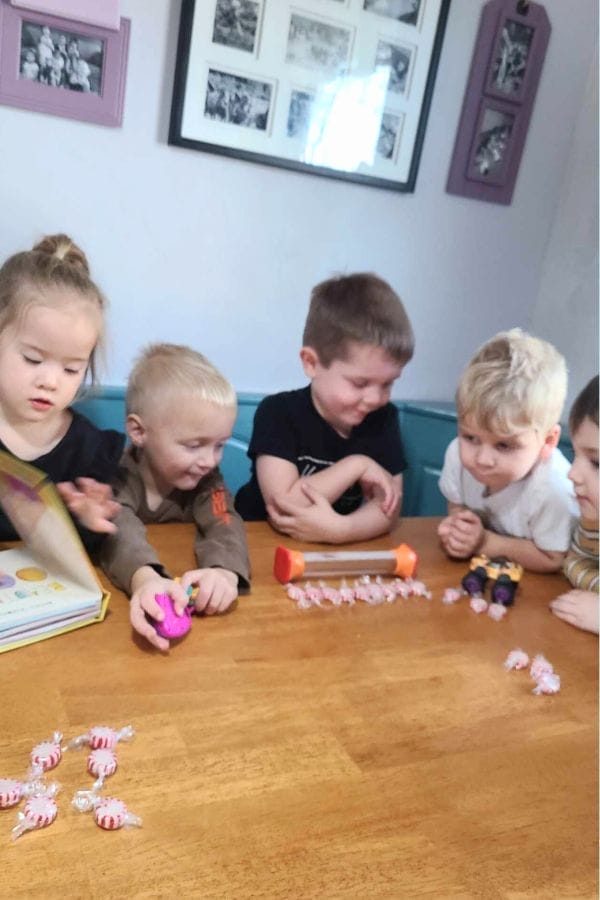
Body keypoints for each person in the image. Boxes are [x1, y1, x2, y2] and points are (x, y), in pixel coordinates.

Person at [235, 272, 414, 543]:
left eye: (389, 383)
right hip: (258, 541)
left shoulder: (383, 418)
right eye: (359, 383)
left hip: (333, 552)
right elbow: (284, 505)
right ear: (311, 363)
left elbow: (389, 506)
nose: (376, 398)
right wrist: (357, 465)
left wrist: (342, 530)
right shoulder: (278, 412)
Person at [100, 344, 251, 652]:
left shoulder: (207, 479)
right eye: (194, 445)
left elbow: (225, 521)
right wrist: (145, 579)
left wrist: (224, 572)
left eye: (220, 445)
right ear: (139, 432)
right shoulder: (116, 475)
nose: (210, 460)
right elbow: (119, 531)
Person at [0, 234, 125, 551]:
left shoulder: (89, 449)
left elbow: (82, 553)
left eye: (72, 369)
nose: (51, 381)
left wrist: (89, 522)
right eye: (33, 359)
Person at [438, 328, 578, 572]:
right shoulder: (456, 455)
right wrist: (458, 530)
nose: (482, 459)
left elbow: (553, 558)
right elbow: (457, 508)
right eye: (470, 437)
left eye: (504, 445)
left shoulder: (555, 491)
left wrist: (484, 542)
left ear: (548, 442)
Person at [550, 376, 599, 634]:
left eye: (596, 463)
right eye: (575, 455)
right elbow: (575, 563)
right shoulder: (594, 522)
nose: (572, 473)